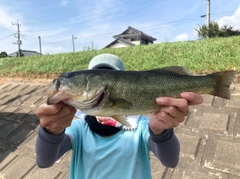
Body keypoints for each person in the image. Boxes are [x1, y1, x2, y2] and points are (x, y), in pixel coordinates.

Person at [35, 54, 203, 179]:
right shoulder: (78, 128)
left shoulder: (142, 126)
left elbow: (170, 161)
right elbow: (44, 161)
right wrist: (51, 131)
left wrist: (160, 131)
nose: (64, 80)